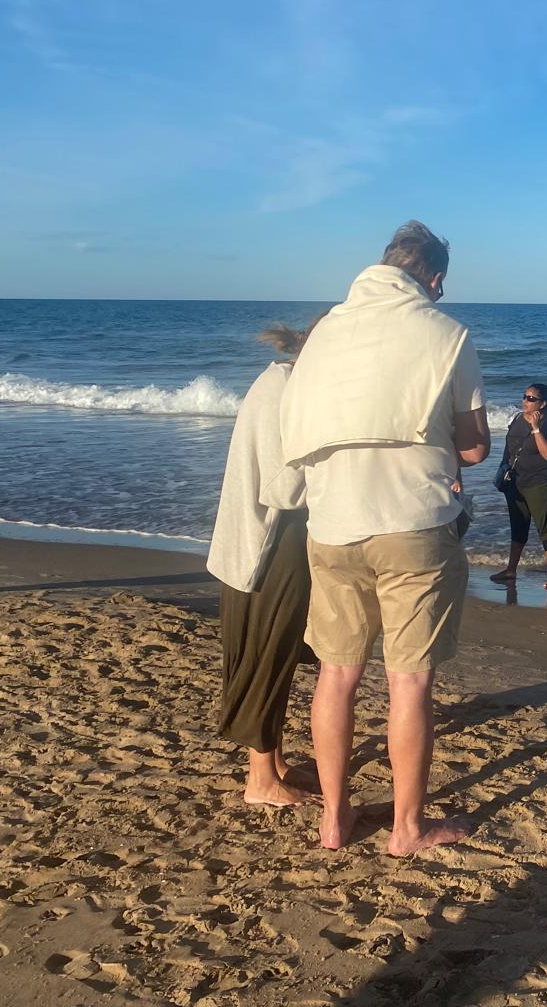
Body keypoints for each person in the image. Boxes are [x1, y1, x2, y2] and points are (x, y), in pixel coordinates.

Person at [279, 220, 490, 855]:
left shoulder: (324, 334)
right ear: (433, 277)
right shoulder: (445, 334)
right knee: (409, 681)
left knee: (337, 674)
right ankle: (406, 828)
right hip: (413, 523)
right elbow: (475, 446)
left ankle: (334, 819)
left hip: (334, 524)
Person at [208, 321, 319, 807]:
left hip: (256, 539)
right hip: (270, 541)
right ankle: (260, 780)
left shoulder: (277, 380)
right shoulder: (287, 390)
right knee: (268, 652)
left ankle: (271, 762)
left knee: (273, 651)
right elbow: (285, 485)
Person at [489, 382, 547, 588]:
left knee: (545, 528)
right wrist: (503, 470)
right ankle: (511, 570)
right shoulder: (516, 419)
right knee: (518, 526)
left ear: (543, 404)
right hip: (515, 482)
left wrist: (536, 429)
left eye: (531, 399)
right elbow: (509, 447)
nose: (525, 401)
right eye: (525, 396)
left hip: (540, 482)